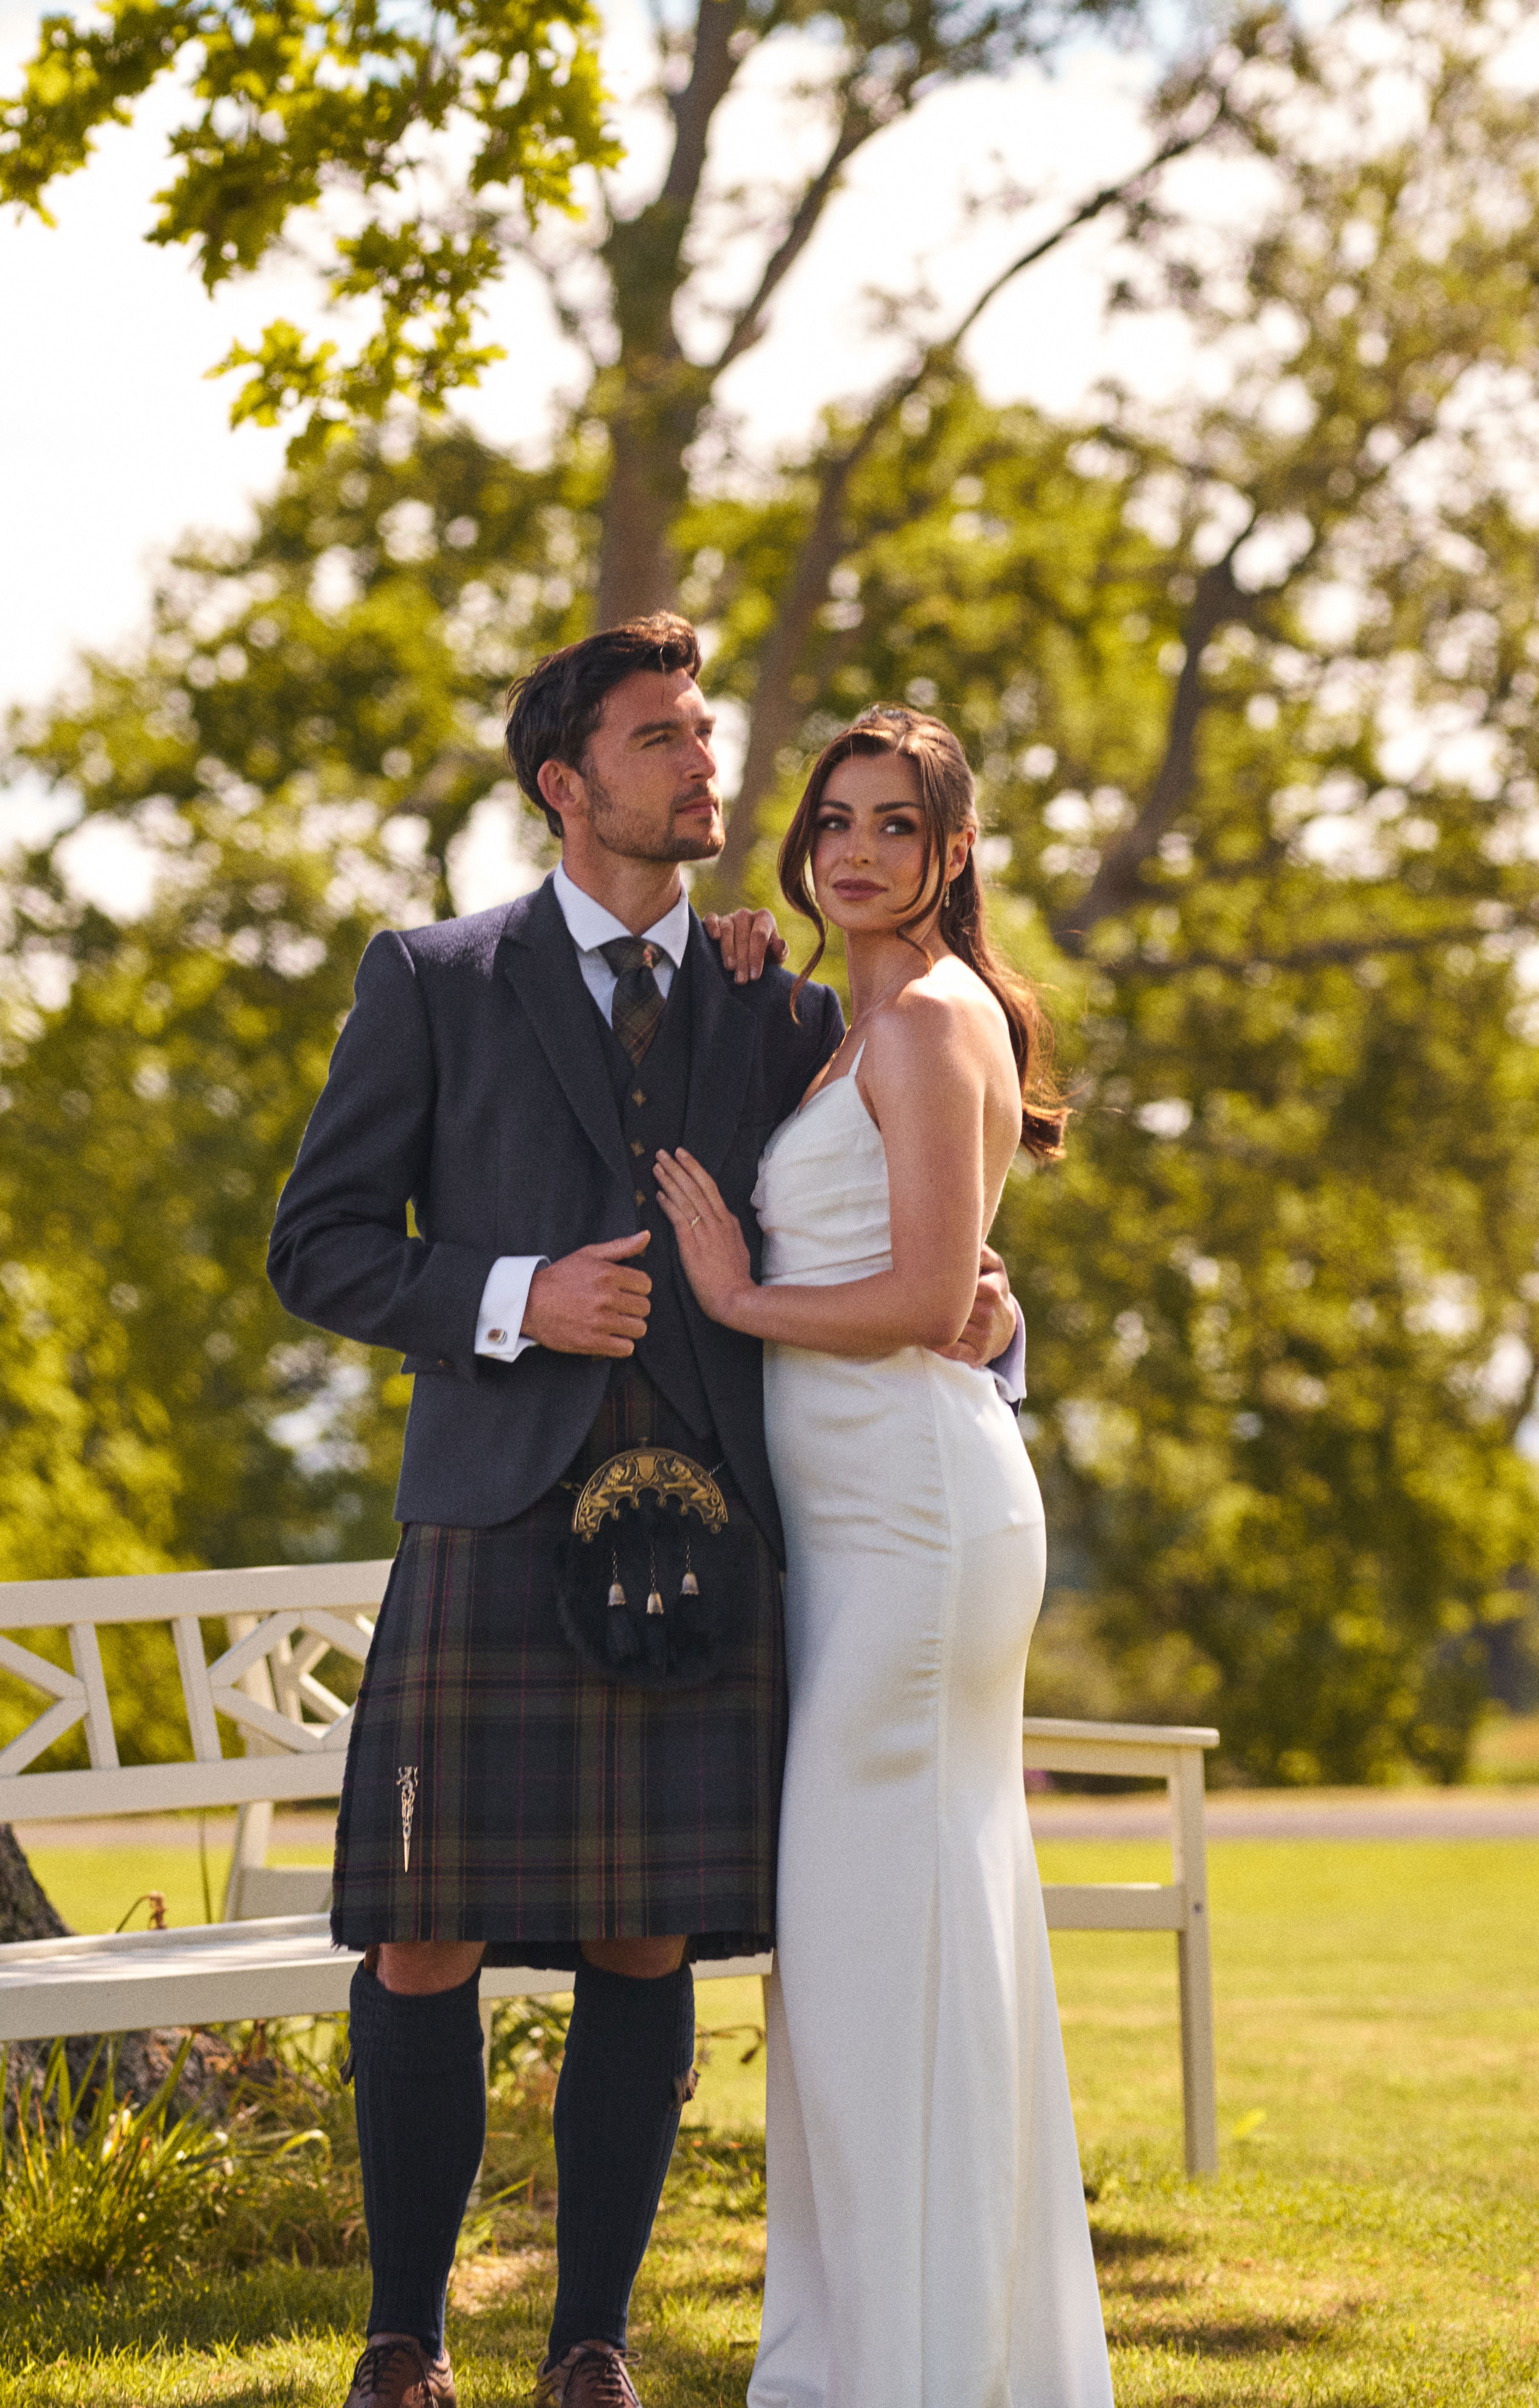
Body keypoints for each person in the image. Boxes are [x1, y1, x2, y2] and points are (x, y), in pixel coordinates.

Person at [269, 621, 1022, 2408]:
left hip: (709, 1531)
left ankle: (590, 2343)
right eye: (658, 737)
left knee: (643, 1933)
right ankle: (402, 2338)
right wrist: (512, 1294)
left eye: (700, 731)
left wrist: (995, 1323)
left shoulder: (786, 1009)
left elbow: (908, 1236)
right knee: (421, 1931)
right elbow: (318, 1247)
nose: (703, 763)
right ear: (564, 781)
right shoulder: (432, 977)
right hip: (491, 1521)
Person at [648, 705, 1112, 2408]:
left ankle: (901, 2370)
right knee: (892, 1948)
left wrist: (738, 1296)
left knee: (867, 1948)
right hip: (859, 1528)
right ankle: (907, 2358)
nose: (853, 849)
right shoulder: (857, 1024)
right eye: (832, 819)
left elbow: (928, 1302)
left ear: (951, 851)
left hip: (915, 1532)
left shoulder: (927, 1020)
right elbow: (954, 1281)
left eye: (892, 826)